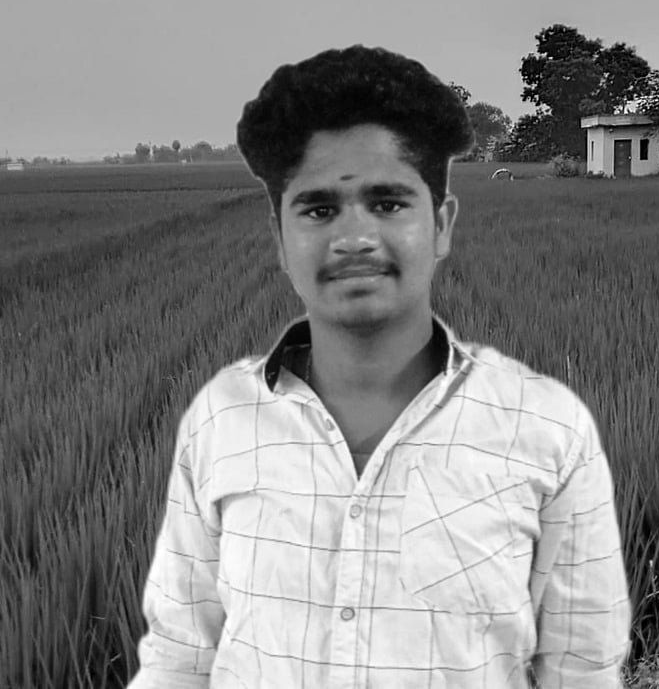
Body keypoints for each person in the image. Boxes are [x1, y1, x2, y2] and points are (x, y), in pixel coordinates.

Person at [128, 45, 631, 689]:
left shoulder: (546, 429)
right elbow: (179, 658)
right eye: (319, 210)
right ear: (279, 239)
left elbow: (581, 670)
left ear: (442, 225)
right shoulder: (221, 420)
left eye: (388, 203)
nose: (354, 239)